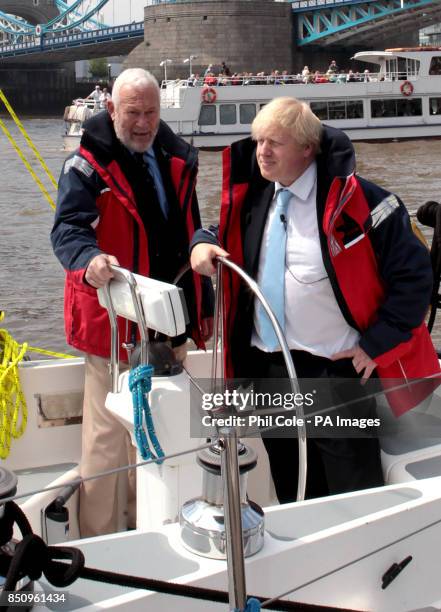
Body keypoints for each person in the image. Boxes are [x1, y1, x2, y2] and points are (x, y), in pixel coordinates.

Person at [190, 96, 440, 503]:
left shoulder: (365, 202)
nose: (262, 153)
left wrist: (376, 345)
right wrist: (201, 244)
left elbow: (416, 278)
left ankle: (359, 562)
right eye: (258, 142)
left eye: (275, 142)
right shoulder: (255, 198)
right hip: (270, 367)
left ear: (308, 148)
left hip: (335, 371)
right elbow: (221, 232)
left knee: (353, 492)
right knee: (293, 486)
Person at [51, 68, 214, 537]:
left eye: (151, 113)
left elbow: (192, 225)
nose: (143, 123)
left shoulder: (177, 160)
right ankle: (103, 546)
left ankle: (155, 530)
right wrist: (88, 258)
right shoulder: (84, 166)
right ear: (111, 110)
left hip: (168, 323)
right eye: (133, 113)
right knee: (106, 442)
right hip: (113, 324)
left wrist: (204, 244)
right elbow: (67, 230)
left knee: (160, 432)